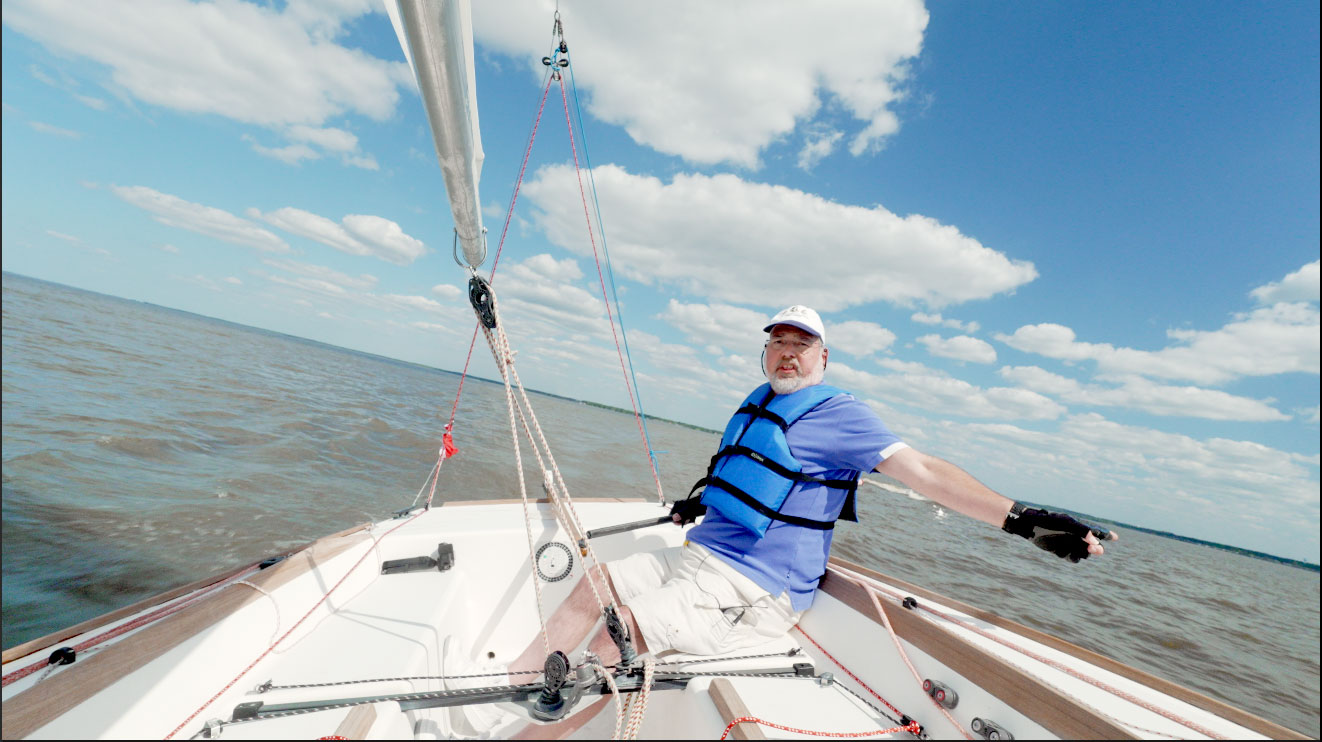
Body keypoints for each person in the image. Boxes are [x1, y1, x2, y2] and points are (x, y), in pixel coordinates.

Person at [499, 304, 1115, 712]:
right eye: (778, 343)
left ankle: (540, 724)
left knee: (622, 629)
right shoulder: (759, 400)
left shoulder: (840, 416)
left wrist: (1019, 518)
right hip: (702, 556)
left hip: (755, 588)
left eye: (802, 345)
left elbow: (923, 472)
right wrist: (700, 502)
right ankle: (513, 685)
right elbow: (741, 471)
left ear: (824, 358)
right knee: (596, 582)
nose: (787, 353)